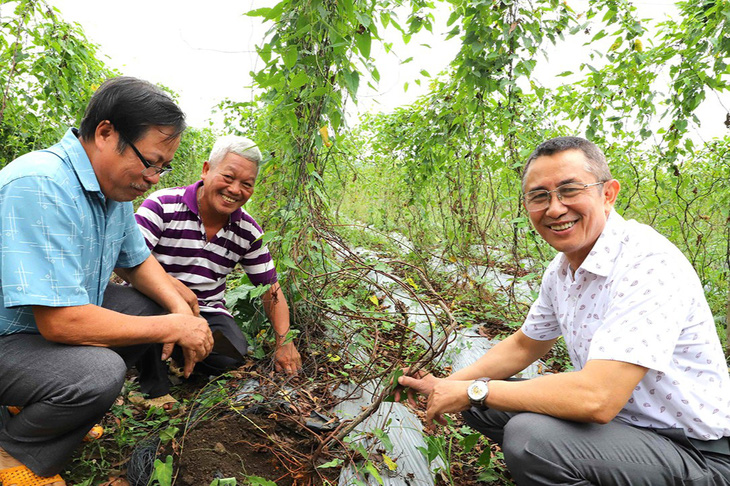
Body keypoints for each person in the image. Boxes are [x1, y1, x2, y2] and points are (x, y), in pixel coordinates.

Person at [397, 136, 730, 485]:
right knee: (487, 405)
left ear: (608, 193)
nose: (555, 209)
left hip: (699, 452)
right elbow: (525, 345)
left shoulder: (647, 263)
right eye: (539, 196)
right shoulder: (562, 269)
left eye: (570, 190)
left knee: (531, 437)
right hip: (628, 429)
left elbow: (597, 399)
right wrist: (446, 386)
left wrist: (472, 390)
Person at [0, 76, 214, 485]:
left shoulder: (111, 191)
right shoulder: (42, 184)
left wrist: (177, 307)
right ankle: (13, 451)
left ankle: (39, 412)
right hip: (10, 336)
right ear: (105, 133)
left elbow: (136, 261)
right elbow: (61, 322)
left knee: (149, 304)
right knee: (97, 373)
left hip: (33, 333)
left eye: (163, 168)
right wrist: (172, 326)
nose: (155, 177)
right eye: (150, 162)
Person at [132, 134, 302, 377]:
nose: (235, 190)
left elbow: (270, 289)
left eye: (247, 184)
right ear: (206, 169)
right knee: (147, 315)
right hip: (153, 299)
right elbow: (129, 260)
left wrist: (284, 342)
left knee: (229, 355)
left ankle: (180, 355)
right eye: (228, 177)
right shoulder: (162, 205)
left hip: (206, 310)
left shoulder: (248, 231)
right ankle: (153, 386)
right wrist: (176, 298)